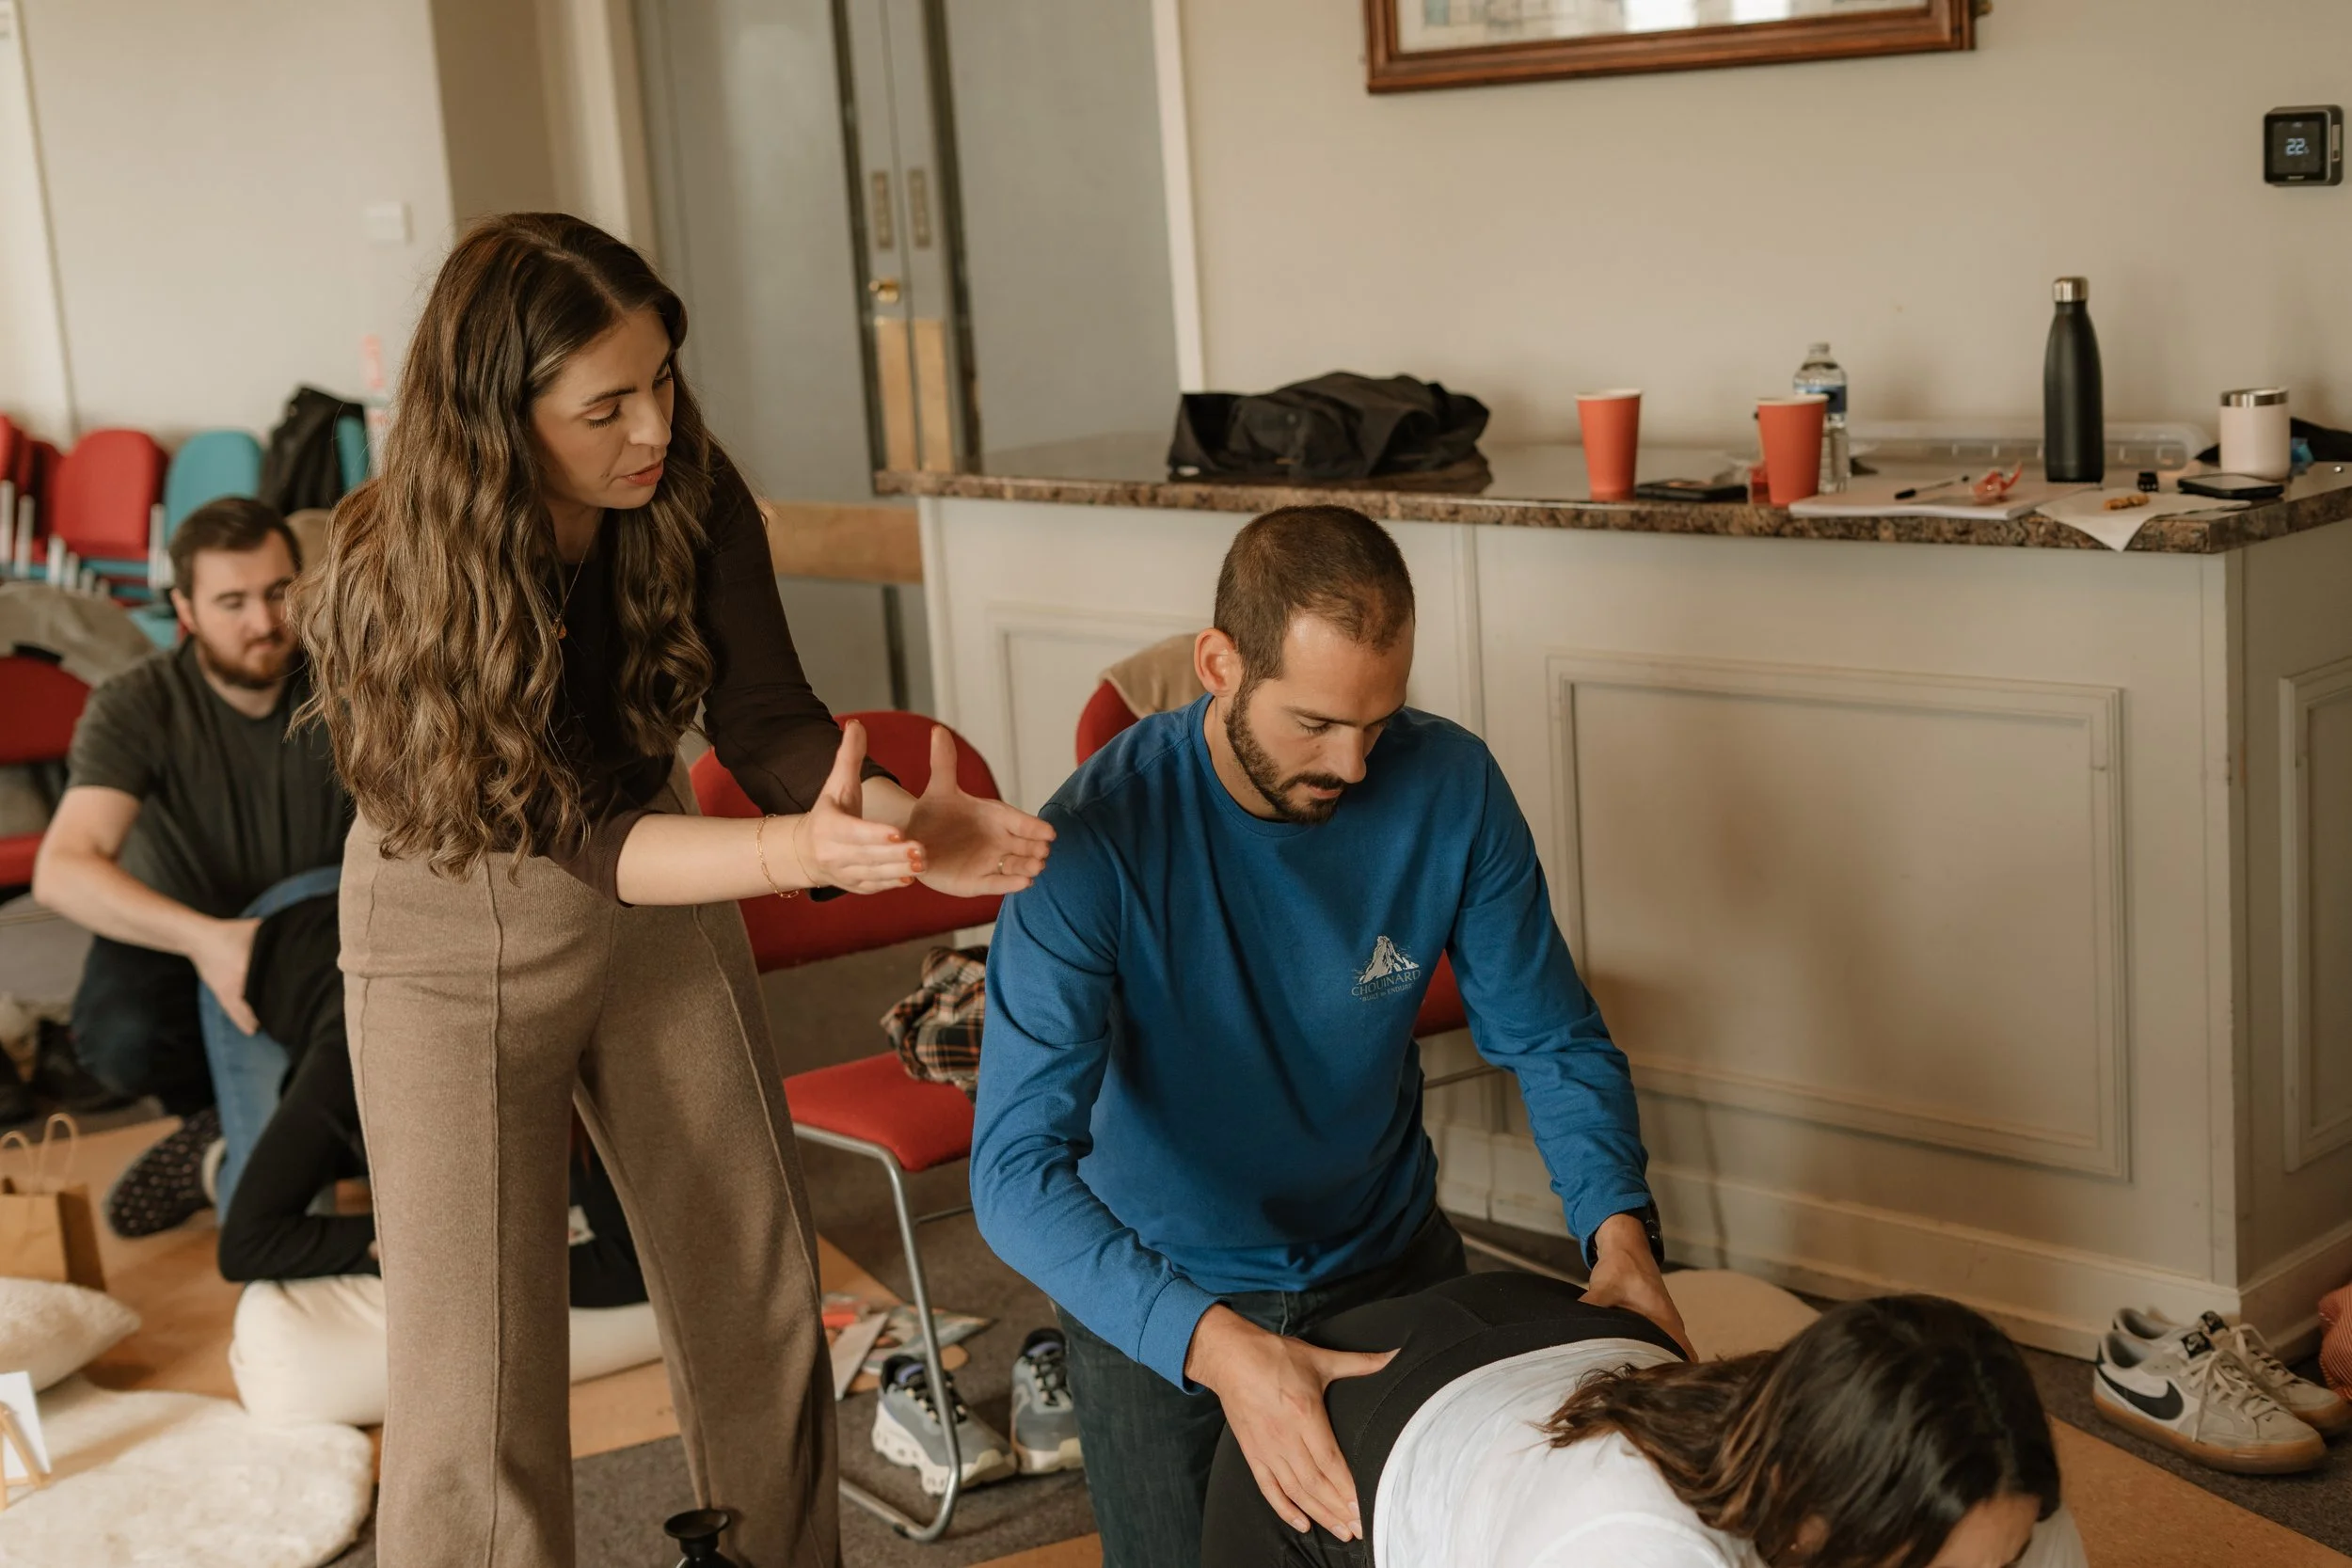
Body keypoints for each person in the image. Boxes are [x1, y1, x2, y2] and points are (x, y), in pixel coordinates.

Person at [295, 213, 1053, 1568]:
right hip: (449, 919)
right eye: (606, 405)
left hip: (652, 889)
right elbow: (568, 825)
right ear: (497, 417)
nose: (652, 425)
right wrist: (798, 855)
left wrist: (897, 816)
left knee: (755, 1291)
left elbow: (768, 723)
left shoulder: (687, 484)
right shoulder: (390, 566)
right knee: (479, 1383)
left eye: (663, 377)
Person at [972, 505, 1688, 1568]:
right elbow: (1011, 1175)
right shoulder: (1090, 843)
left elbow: (1552, 1037)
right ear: (1218, 662)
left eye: (1378, 721)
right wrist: (1219, 1347)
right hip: (1166, 1295)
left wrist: (1618, 1231)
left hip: (1388, 1260)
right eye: (1313, 723)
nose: (1353, 765)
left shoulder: (1451, 786)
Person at [1200, 1277, 2089, 1568]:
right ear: (1819, 1508)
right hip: (1335, 1458)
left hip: (1565, 1329)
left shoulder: (2005, 1498)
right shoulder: (1633, 1545)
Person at [32, 497, 352, 1229]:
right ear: (185, 607)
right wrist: (209, 940)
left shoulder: (346, 681)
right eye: (232, 601)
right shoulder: (136, 704)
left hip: (317, 932)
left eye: (278, 592)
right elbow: (64, 867)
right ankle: (212, 1122)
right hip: (188, 933)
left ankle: (268, 1144)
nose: (263, 622)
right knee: (119, 1036)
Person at [214, 891, 646, 1311]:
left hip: (402, 917)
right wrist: (437, 1248)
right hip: (250, 953)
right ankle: (210, 1150)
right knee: (313, 1202)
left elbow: (629, 1265)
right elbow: (249, 1244)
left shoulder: (564, 1038)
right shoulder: (355, 1057)